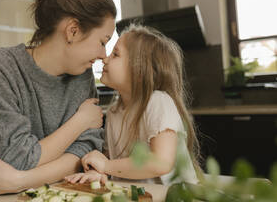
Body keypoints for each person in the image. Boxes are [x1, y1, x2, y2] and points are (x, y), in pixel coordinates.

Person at [0, 0, 116, 195]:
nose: (104, 55)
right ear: (73, 31)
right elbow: (11, 160)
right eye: (102, 41)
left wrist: (19, 180)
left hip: (61, 194)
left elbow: (87, 150)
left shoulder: (82, 75)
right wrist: (80, 121)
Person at [65, 25, 202, 186]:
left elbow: (161, 162)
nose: (105, 58)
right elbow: (113, 163)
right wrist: (99, 172)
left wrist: (106, 166)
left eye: (115, 54)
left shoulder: (158, 101)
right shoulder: (115, 111)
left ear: (139, 71)